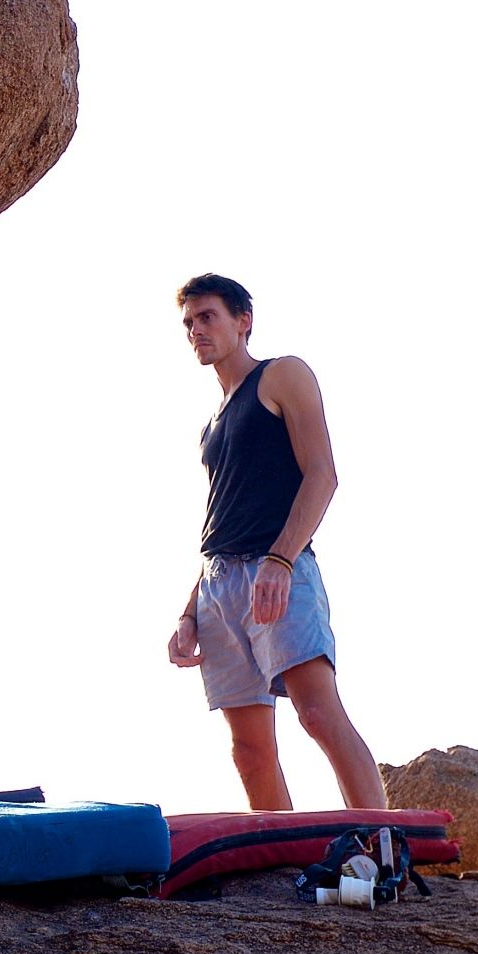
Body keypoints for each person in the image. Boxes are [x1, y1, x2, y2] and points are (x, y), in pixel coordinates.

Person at [166, 274, 386, 811]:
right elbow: (222, 517)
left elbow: (322, 474)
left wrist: (281, 558)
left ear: (243, 321)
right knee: (249, 749)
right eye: (189, 322)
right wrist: (188, 612)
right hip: (219, 583)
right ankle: (278, 873)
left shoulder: (281, 375)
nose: (196, 330)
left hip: (277, 569)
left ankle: (383, 847)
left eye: (208, 316)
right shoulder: (212, 423)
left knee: (317, 714)